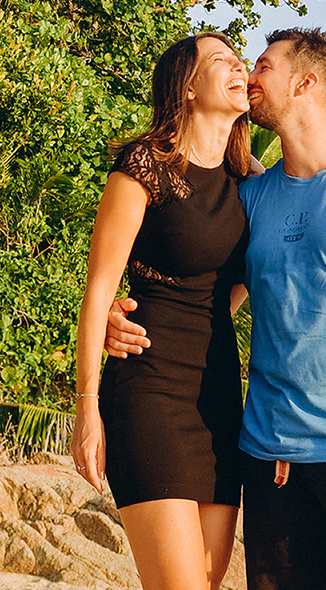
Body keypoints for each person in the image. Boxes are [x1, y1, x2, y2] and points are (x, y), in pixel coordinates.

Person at [108, 27, 326, 589]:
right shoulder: (250, 196)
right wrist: (119, 318)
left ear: (306, 83)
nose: (248, 73)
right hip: (273, 474)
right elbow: (200, 281)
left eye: (263, 65)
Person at [71, 31, 254, 590]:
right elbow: (99, 288)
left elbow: (240, 280)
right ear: (188, 85)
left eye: (240, 60)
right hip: (149, 389)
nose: (239, 68)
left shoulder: (252, 184)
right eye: (221, 60)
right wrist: (87, 408)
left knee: (204, 578)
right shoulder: (144, 167)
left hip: (220, 395)